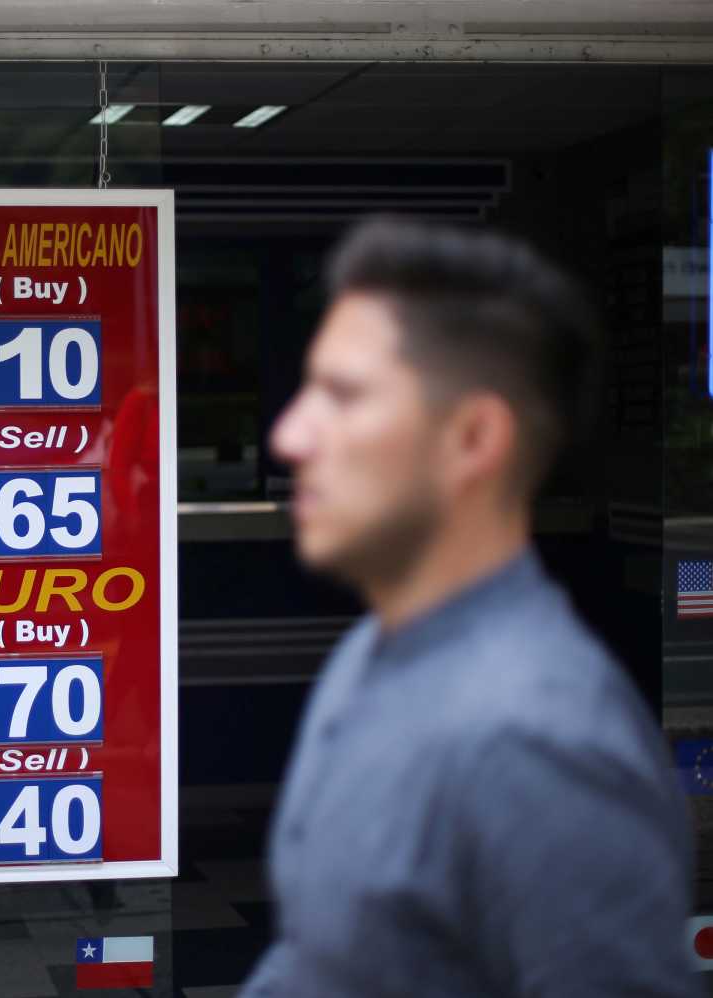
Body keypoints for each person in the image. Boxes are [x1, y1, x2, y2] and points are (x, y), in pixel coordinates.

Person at [240, 218, 697, 997]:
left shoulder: (539, 745)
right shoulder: (369, 656)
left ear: (475, 438)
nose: (289, 434)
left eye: (343, 396)